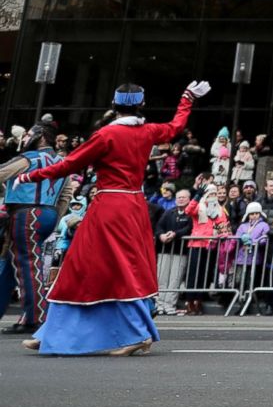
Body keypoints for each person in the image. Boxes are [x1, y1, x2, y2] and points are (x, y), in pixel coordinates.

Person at [12, 80, 210, 355]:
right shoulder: (148, 131)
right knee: (116, 267)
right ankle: (54, 332)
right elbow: (176, 127)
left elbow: (69, 164)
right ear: (140, 106)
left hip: (108, 205)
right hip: (132, 205)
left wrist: (29, 176)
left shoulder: (106, 135)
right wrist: (187, 97)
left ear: (114, 106)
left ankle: (130, 334)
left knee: (84, 265)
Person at [0, 119, 66, 333]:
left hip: (26, 212)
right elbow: (66, 195)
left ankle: (35, 317)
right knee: (14, 263)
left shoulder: (29, 158)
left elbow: (2, 172)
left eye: (30, 134)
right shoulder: (61, 161)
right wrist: (55, 218)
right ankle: (28, 316)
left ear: (42, 136)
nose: (26, 138)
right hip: (48, 213)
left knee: (28, 264)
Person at [152, 189, 193, 316]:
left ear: (189, 199)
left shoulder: (191, 214)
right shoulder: (169, 212)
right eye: (179, 197)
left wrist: (175, 234)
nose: (180, 199)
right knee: (161, 278)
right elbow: (159, 226)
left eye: (183, 197)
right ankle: (159, 304)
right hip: (165, 250)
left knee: (175, 279)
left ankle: (170, 305)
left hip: (180, 252)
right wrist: (161, 236)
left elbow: (189, 228)